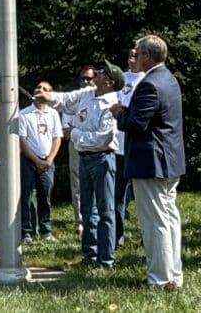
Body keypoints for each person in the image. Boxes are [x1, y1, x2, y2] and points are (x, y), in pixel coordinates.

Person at [112, 35, 185, 292]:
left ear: (148, 56)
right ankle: (173, 275)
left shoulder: (149, 84)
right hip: (168, 160)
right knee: (168, 219)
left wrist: (120, 113)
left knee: (155, 223)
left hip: (152, 162)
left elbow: (135, 124)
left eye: (139, 52)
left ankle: (160, 279)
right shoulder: (169, 79)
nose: (136, 56)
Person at [38, 61, 122, 267]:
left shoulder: (112, 105)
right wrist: (49, 97)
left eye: (103, 72)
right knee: (87, 210)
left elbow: (101, 138)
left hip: (102, 159)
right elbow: (67, 99)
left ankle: (105, 259)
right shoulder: (87, 93)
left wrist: (73, 133)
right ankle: (89, 255)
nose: (98, 73)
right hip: (84, 158)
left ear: (110, 82)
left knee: (105, 211)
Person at [18, 84, 62, 244]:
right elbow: (22, 140)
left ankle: (46, 230)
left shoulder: (54, 114)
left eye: (44, 89)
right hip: (28, 161)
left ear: (49, 94)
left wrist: (49, 159)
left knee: (45, 196)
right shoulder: (24, 114)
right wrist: (36, 160)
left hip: (47, 161)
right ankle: (26, 232)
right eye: (37, 88)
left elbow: (57, 138)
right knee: (26, 197)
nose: (39, 90)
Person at [115, 48, 143, 248]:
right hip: (118, 146)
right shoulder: (120, 79)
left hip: (137, 146)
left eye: (136, 54)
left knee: (142, 195)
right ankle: (117, 235)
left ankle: (146, 234)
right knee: (117, 195)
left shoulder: (146, 80)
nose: (132, 57)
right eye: (130, 54)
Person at [63, 65, 96, 239]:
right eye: (82, 78)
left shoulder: (102, 97)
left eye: (89, 79)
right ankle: (80, 222)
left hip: (98, 148)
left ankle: (96, 222)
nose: (85, 82)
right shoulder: (74, 98)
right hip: (76, 146)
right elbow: (66, 129)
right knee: (77, 184)